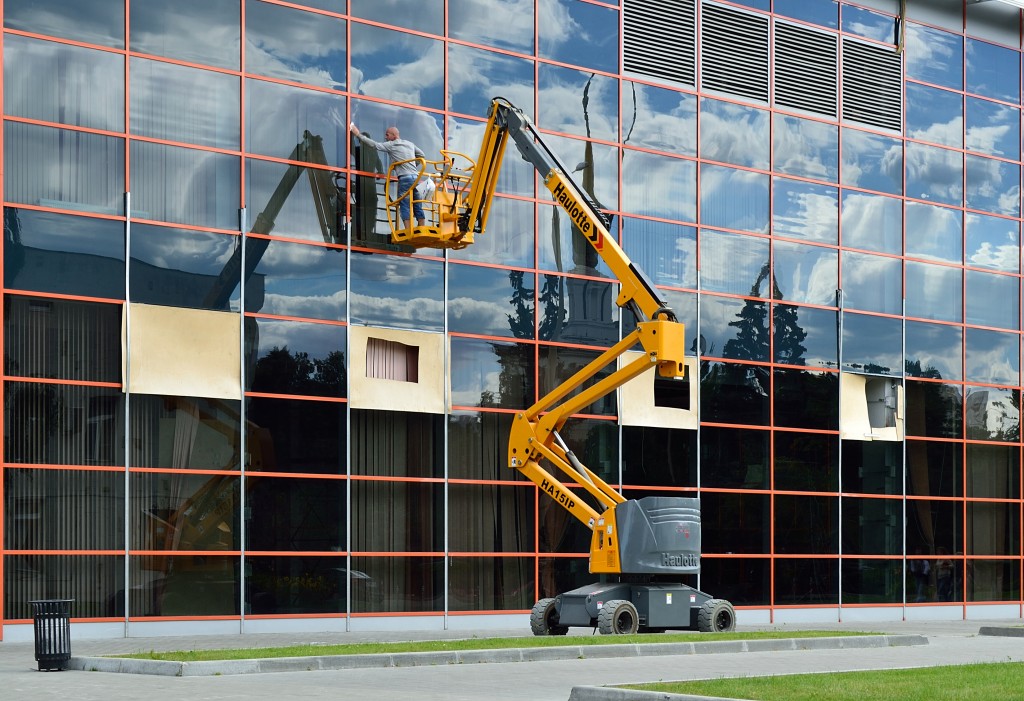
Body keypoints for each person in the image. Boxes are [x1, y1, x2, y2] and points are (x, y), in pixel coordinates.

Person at [349, 123, 426, 229]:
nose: (386, 137)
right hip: (415, 178)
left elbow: (374, 145)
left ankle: (408, 230)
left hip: (405, 178)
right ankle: (421, 227)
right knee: (417, 202)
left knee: (404, 203)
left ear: (394, 135)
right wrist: (412, 165)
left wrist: (357, 134)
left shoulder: (392, 144)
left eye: (387, 135)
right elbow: (422, 155)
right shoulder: (409, 144)